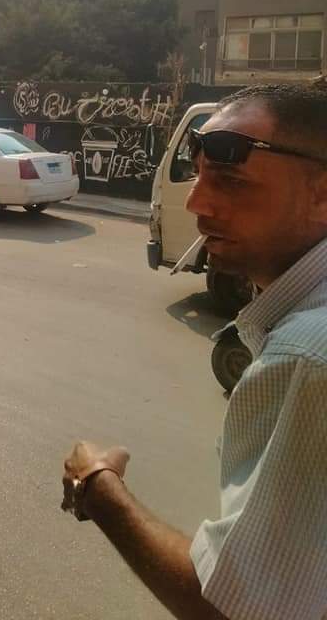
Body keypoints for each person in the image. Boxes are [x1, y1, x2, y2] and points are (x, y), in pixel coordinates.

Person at [61, 82, 327, 620]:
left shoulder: (305, 356)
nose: (195, 201)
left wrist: (98, 488)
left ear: (321, 194)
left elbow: (235, 608)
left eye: (230, 181)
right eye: (199, 174)